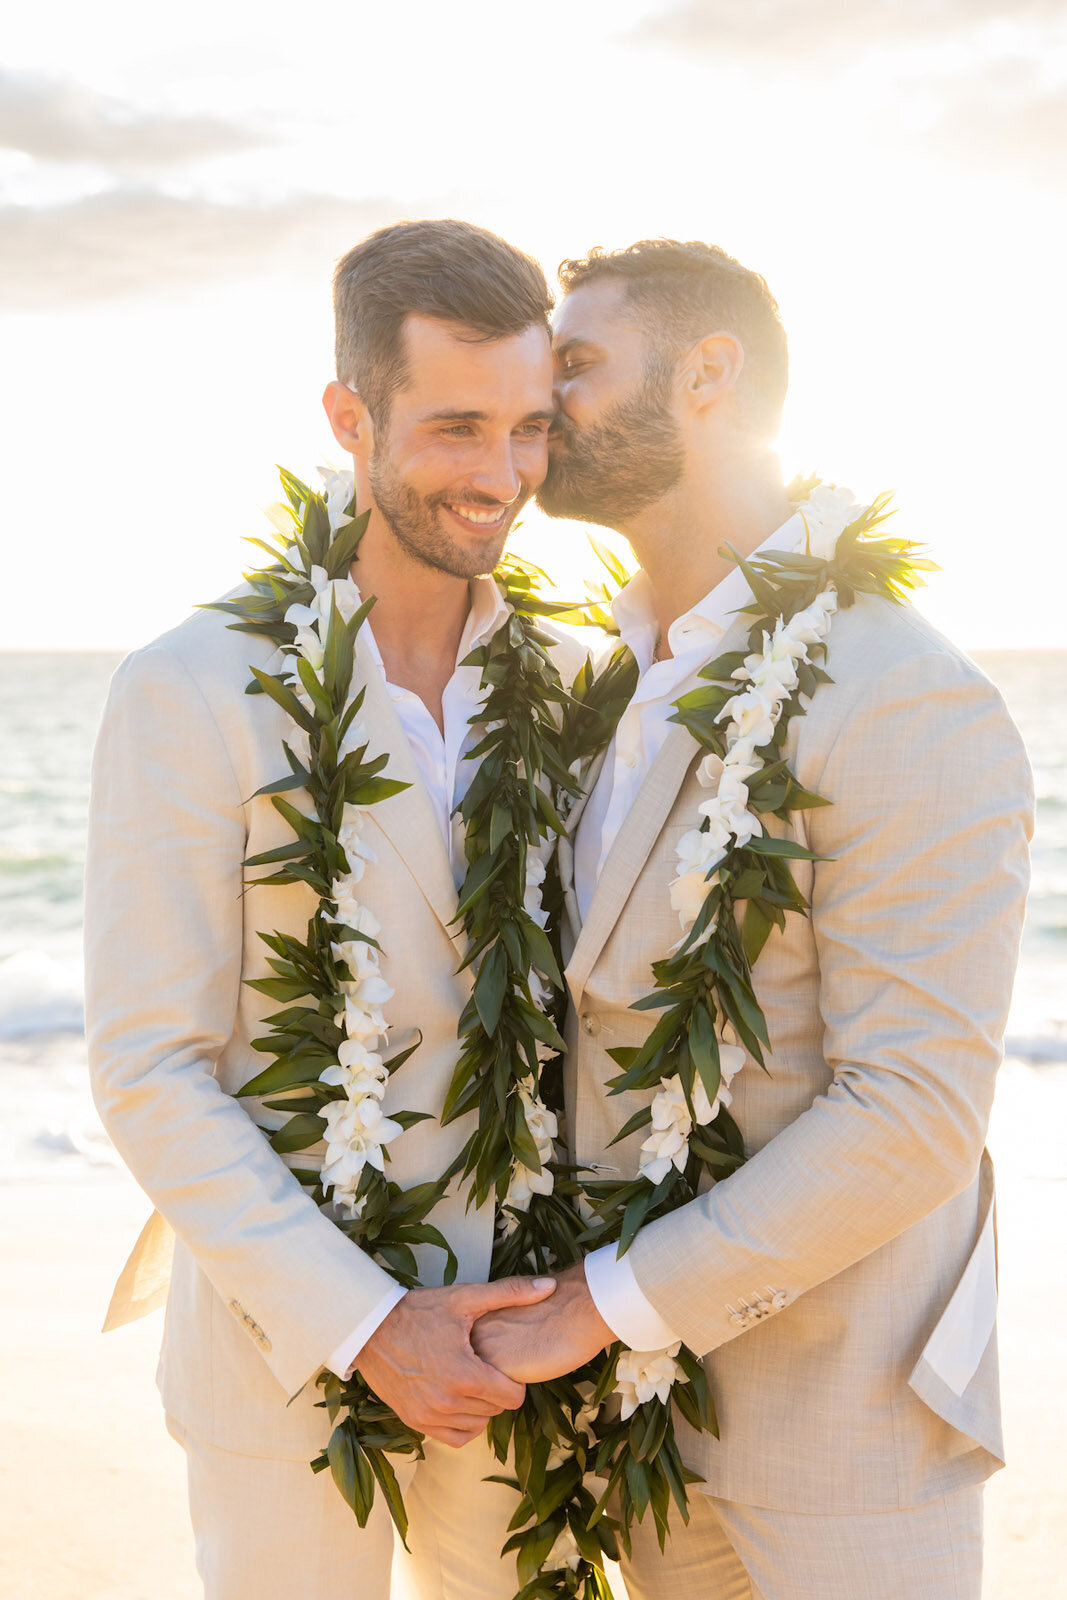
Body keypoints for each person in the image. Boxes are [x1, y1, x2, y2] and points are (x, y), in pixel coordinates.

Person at [471, 238, 1034, 1600]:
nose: (544, 409)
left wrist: (598, 1310)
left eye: (580, 366)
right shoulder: (611, 686)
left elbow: (914, 1106)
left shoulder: (897, 690)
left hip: (849, 1418)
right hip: (650, 1430)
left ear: (711, 373)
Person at [85, 218, 583, 1600]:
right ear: (349, 415)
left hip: (522, 1337)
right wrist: (368, 1324)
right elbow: (149, 1067)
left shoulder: (571, 683)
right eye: (457, 427)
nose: (503, 476)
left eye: (533, 429)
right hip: (283, 1352)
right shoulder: (191, 687)